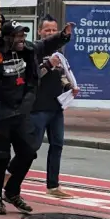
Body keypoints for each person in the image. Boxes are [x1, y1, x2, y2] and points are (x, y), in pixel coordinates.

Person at [0, 20, 41, 215]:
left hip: (21, 111)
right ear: (8, 37)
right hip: (2, 113)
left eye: (23, 36)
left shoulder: (27, 51)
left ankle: (12, 191)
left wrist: (27, 102)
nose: (22, 40)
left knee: (28, 152)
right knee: (0, 158)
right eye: (18, 36)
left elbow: (32, 80)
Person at [27, 15, 77, 198]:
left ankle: (53, 186)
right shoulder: (33, 51)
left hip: (56, 107)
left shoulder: (60, 54)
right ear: (40, 31)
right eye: (47, 30)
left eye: (53, 30)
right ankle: (11, 174)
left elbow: (62, 76)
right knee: (32, 147)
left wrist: (69, 87)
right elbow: (33, 75)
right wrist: (48, 65)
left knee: (57, 145)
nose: (50, 33)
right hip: (38, 107)